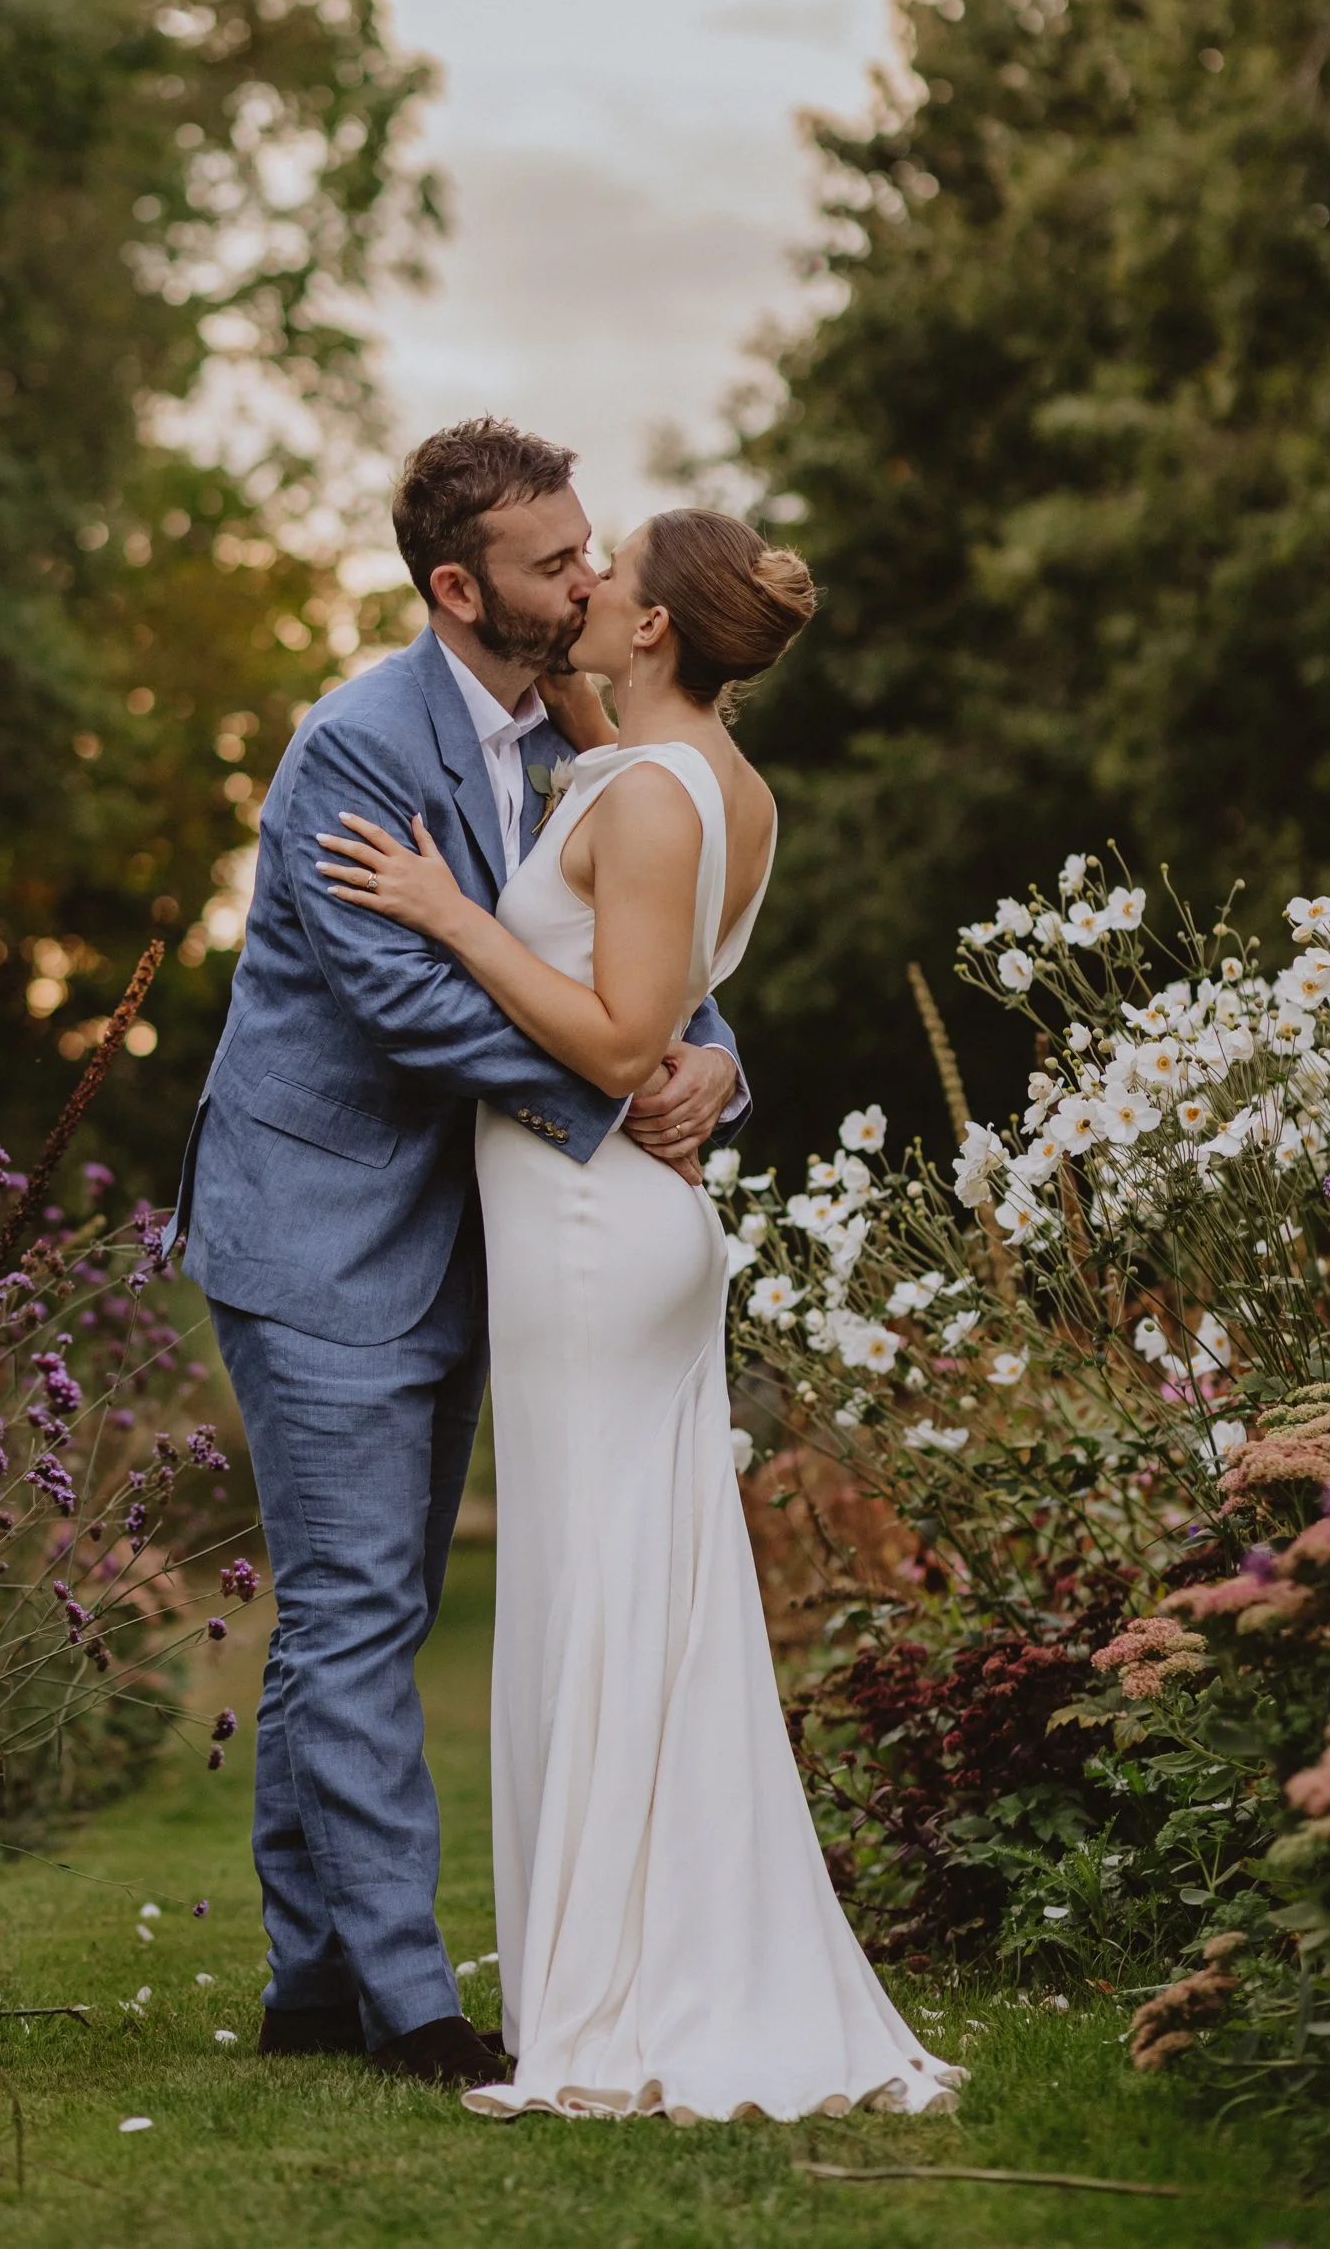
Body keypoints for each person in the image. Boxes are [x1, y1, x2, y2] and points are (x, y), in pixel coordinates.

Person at [318, 505, 961, 2124]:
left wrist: (451, 912)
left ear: (661, 629)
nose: (586, 590)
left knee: (601, 1605)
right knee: (623, 1598)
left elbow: (617, 1045)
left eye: (610, 579)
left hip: (597, 1232)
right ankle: (611, 1957)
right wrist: (718, 1055)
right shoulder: (699, 774)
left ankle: (615, 1990)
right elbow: (632, 843)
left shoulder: (662, 798)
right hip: (604, 1239)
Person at [166, 417, 748, 2087]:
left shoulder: (584, 728)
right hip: (319, 1228)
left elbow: (648, 956)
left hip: (467, 1238)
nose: (589, 577)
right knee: (357, 1608)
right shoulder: (353, 746)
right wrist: (619, 1081)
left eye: (589, 547)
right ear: (456, 588)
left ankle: (304, 1987)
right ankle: (411, 2006)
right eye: (556, 561)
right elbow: (405, 1001)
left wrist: (710, 1061)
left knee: (367, 1606)